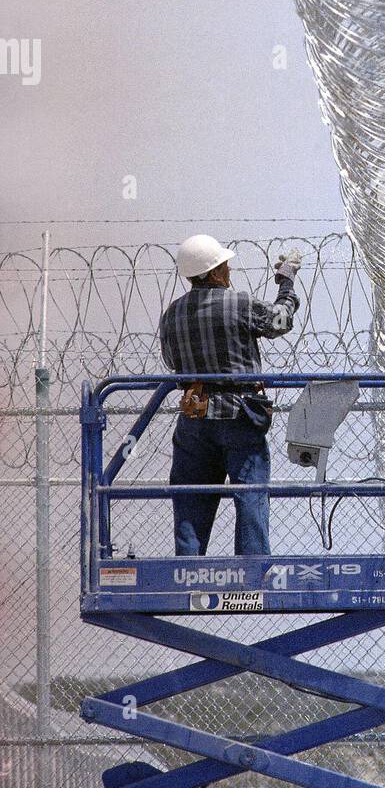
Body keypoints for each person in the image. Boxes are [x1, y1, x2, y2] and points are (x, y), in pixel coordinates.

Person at [159, 235, 301, 557]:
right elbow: (281, 320)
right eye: (225, 264)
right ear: (215, 271)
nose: (229, 267)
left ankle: (188, 571)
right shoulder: (239, 303)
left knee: (191, 497)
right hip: (240, 415)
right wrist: (286, 282)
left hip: (194, 416)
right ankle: (251, 572)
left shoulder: (171, 315)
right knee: (250, 494)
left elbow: (171, 362)